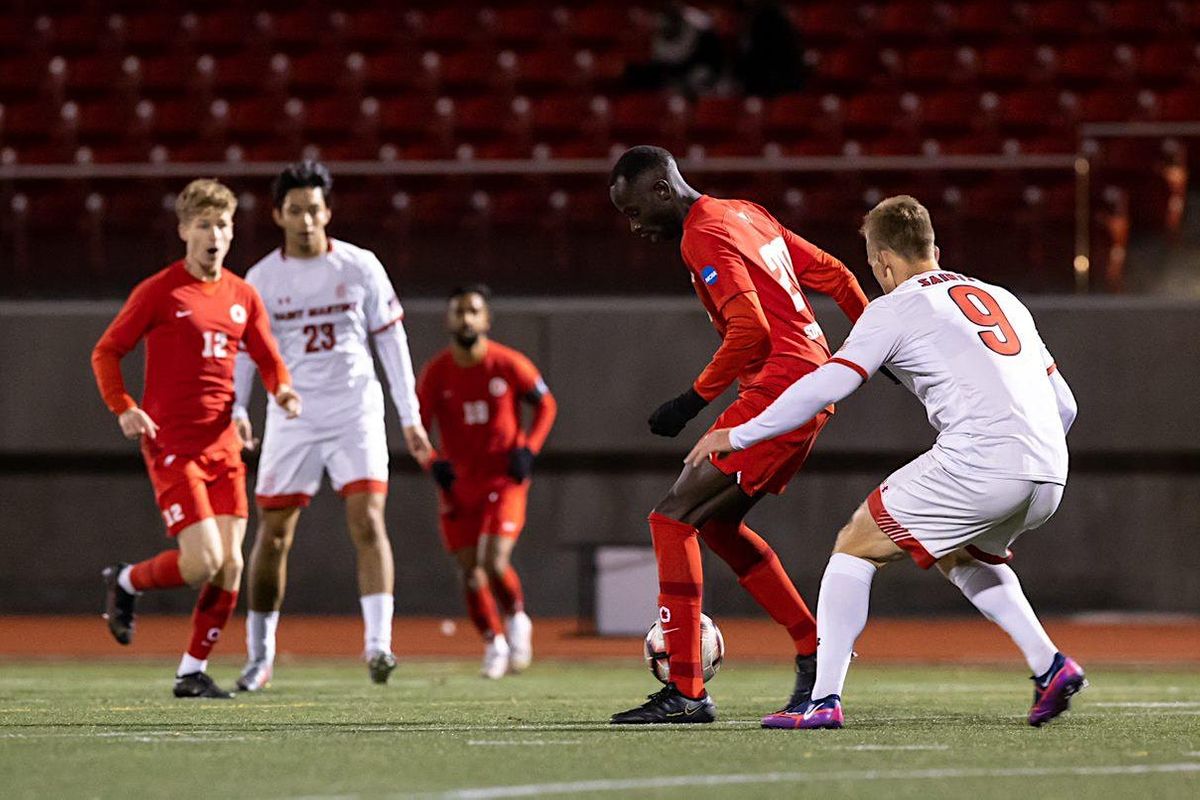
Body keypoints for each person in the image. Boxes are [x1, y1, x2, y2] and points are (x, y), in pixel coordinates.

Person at [688, 195, 1086, 729]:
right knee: (961, 554)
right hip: (1049, 469)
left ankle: (822, 701)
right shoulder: (1002, 297)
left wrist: (741, 433)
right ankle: (1050, 666)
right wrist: (1029, 461)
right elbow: (1066, 404)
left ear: (881, 264)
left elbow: (831, 382)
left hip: (984, 460)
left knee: (856, 544)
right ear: (935, 250)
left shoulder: (894, 307)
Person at [607, 146, 871, 724]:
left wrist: (691, 400)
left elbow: (750, 330)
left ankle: (686, 691)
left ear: (659, 190)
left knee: (671, 518)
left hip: (780, 387)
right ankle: (814, 648)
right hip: (807, 384)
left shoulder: (701, 233)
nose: (634, 226)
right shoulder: (745, 213)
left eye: (633, 211)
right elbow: (835, 274)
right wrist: (876, 345)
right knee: (718, 525)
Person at [92, 179, 299, 699]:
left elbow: (268, 357)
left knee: (230, 565)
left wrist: (283, 392)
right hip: (172, 445)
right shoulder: (160, 291)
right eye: (203, 224)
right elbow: (106, 351)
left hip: (223, 444)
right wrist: (125, 407)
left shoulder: (242, 295)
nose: (214, 234)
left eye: (222, 224)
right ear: (184, 230)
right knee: (202, 562)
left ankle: (190, 671)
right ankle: (126, 582)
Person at [231, 161, 431, 691]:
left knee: (367, 521)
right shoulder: (261, 279)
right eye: (294, 210)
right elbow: (246, 356)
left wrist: (408, 416)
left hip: (354, 411)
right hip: (291, 415)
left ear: (328, 212)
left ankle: (378, 647)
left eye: (313, 209)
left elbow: (391, 341)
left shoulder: (359, 265)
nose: (305, 219)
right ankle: (259, 655)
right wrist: (237, 412)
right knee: (273, 536)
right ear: (278, 215)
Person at [416, 285, 557, 679]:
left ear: (486, 319)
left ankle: (516, 619)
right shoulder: (436, 372)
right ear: (449, 319)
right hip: (459, 483)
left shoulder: (508, 364)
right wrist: (432, 461)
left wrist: (528, 448)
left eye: (473, 311)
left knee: (493, 560)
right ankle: (493, 643)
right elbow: (416, 427)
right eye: (458, 311)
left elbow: (545, 404)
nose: (465, 318)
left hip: (503, 479)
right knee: (468, 570)